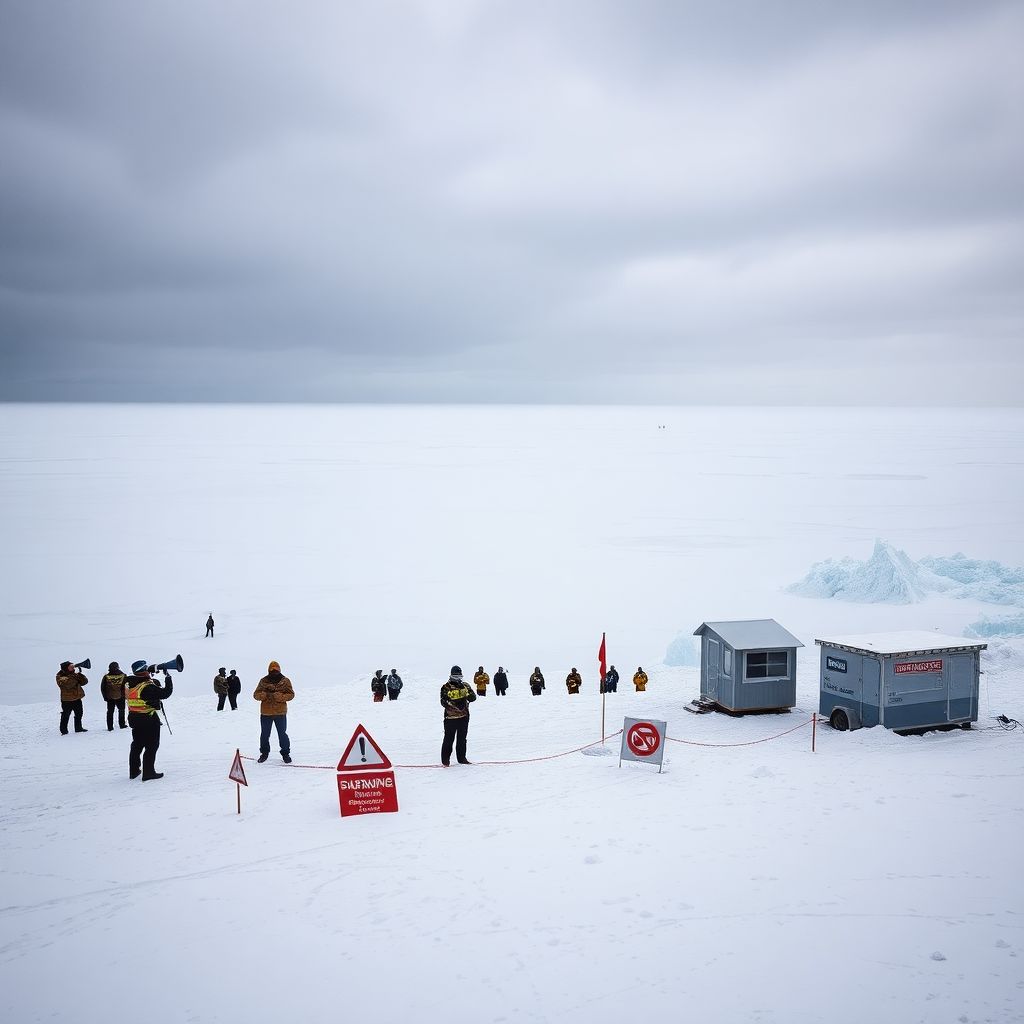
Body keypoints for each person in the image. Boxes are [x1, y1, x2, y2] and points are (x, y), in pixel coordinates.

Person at [127, 661, 173, 780]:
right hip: (147, 718)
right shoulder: (146, 686)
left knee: (137, 744)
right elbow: (165, 693)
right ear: (144, 670)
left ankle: (134, 771)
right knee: (152, 745)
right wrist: (167, 676)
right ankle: (148, 772)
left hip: (134, 717)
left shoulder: (130, 683)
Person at [254, 661, 294, 763]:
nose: (274, 671)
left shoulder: (285, 681)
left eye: (276, 669)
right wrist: (262, 695)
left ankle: (285, 754)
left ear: (279, 670)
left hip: (280, 713)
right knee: (264, 734)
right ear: (268, 670)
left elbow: (291, 694)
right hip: (266, 713)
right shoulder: (263, 681)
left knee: (282, 734)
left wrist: (281, 697)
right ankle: (264, 753)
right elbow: (255, 694)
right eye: (272, 670)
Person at [440, 665, 476, 767]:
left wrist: (465, 694)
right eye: (455, 676)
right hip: (450, 718)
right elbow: (443, 702)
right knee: (448, 739)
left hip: (464, 717)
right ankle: (445, 761)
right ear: (451, 675)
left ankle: (462, 758)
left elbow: (473, 698)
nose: (458, 678)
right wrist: (457, 701)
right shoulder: (445, 687)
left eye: (459, 676)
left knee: (462, 739)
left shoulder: (465, 685)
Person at [56, 660, 89, 734]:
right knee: (66, 715)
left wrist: (80, 674)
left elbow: (84, 682)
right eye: (70, 666)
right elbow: (69, 685)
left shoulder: (74, 674)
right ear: (66, 668)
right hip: (67, 700)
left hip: (77, 698)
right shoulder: (60, 677)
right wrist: (74, 675)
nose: (73, 667)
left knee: (79, 714)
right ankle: (64, 731)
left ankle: (78, 728)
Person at [100, 661, 128, 730]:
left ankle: (110, 727)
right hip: (121, 696)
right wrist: (126, 696)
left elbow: (102, 688)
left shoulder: (106, 676)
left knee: (110, 712)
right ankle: (122, 724)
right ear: (118, 667)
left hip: (109, 697)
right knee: (121, 710)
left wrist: (105, 697)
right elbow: (126, 686)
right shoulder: (123, 675)